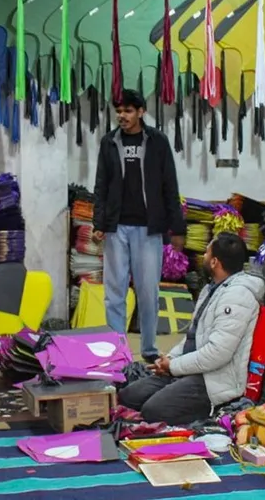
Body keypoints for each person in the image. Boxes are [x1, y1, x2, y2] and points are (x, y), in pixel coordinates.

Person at [118, 232, 265, 425]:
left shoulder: (237, 297)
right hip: (189, 368)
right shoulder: (212, 288)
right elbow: (192, 337)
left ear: (214, 262)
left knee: (153, 411)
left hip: (212, 379)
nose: (203, 256)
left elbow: (217, 354)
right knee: (129, 396)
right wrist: (169, 360)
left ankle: (209, 412)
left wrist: (174, 367)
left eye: (206, 253)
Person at [92, 89, 186, 364]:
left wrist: (176, 228)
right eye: (118, 111)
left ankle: (148, 348)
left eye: (128, 111)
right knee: (114, 292)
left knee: (148, 291)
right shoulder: (109, 142)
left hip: (148, 228)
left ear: (141, 112)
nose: (122, 116)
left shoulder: (157, 141)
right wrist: (99, 221)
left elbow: (170, 185)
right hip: (116, 228)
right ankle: (117, 350)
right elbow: (100, 185)